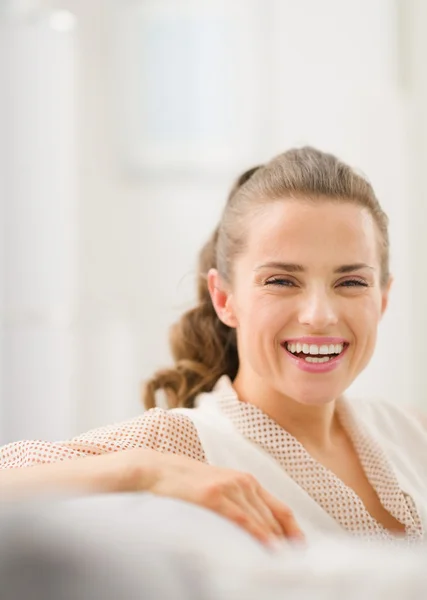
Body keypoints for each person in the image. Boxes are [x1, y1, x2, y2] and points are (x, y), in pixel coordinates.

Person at [1, 146, 426, 545]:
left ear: (382, 300)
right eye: (281, 281)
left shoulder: (412, 432)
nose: (319, 315)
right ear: (224, 299)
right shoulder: (180, 442)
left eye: (351, 282)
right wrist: (146, 468)